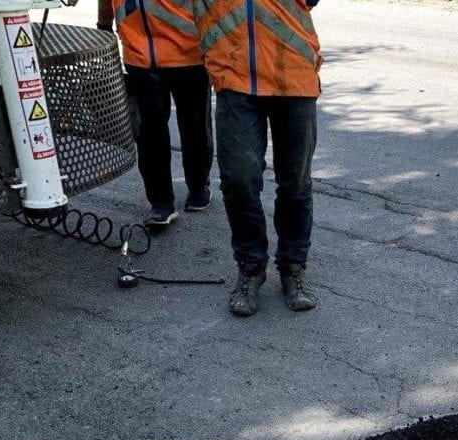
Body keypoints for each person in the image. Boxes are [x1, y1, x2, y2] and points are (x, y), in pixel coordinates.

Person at [192, 0, 322, 316]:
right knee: (238, 180)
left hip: (292, 71)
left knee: (295, 182)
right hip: (233, 73)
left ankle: (293, 267)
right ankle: (251, 268)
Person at [97, 0, 214, 227]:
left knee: (195, 123)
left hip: (188, 51)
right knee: (149, 130)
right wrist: (103, 25)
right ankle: (161, 202)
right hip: (139, 54)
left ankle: (199, 184)